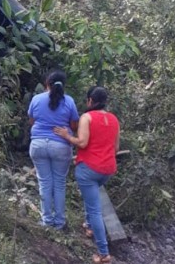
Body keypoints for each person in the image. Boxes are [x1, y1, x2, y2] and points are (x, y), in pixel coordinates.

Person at [54, 86, 120, 264]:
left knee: (94, 209)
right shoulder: (114, 119)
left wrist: (67, 135)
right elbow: (116, 148)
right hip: (107, 169)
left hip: (89, 169)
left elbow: (82, 142)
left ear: (90, 100)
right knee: (92, 199)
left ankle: (103, 254)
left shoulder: (87, 117)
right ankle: (89, 226)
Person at [28, 70, 79, 229]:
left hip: (38, 145)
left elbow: (31, 121)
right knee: (59, 183)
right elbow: (74, 125)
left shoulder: (36, 99)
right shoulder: (69, 101)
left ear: (47, 84)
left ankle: (46, 221)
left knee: (44, 183)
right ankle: (59, 222)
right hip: (61, 146)